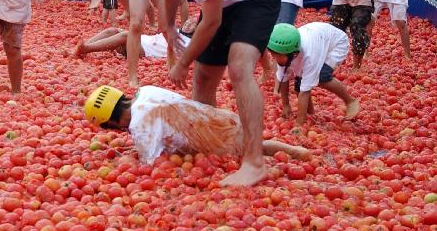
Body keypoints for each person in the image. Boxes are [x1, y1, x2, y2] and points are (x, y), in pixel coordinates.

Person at [129, 0, 283, 186]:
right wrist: (168, 25)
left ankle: (254, 162)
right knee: (203, 78)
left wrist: (182, 63)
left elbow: (211, 21)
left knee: (238, 68)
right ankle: (213, 141)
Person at [84, 85, 311, 167]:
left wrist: (125, 159)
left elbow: (152, 164)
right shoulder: (145, 91)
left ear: (111, 123)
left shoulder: (139, 125)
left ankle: (295, 153)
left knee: (252, 150)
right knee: (253, 145)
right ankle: (293, 152)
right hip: (220, 118)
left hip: (217, 140)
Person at [266, 23, 359, 126]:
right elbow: (283, 79)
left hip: (335, 43)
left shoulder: (309, 57)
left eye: (277, 55)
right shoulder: (283, 51)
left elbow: (305, 91)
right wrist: (286, 105)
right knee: (298, 86)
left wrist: (299, 123)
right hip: (318, 38)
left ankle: (350, 101)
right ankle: (311, 114)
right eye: (272, 54)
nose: (274, 58)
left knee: (322, 77)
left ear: (293, 53)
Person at [75, 17, 197, 60]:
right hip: (142, 40)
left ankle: (87, 48)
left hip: (145, 52)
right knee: (113, 30)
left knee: (126, 35)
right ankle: (80, 48)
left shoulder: (190, 44)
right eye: (189, 20)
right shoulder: (175, 30)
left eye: (193, 24)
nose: (189, 22)